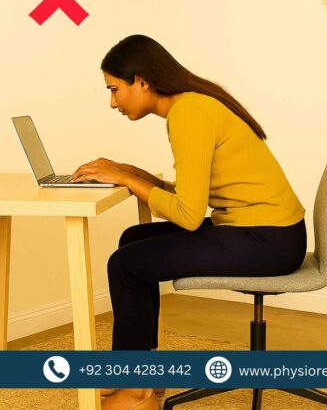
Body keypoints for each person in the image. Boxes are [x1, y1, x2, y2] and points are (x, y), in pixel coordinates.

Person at [71, 35, 307, 410]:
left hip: (267, 239)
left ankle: (133, 389)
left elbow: (188, 214)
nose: (112, 102)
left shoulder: (188, 114)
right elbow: (190, 195)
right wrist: (125, 171)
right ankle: (146, 374)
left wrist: (131, 181)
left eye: (115, 90)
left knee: (125, 265)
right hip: (266, 231)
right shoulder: (192, 106)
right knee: (133, 240)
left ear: (142, 82)